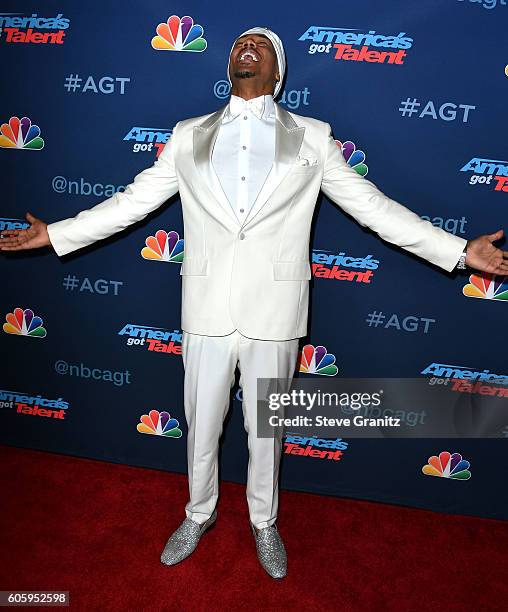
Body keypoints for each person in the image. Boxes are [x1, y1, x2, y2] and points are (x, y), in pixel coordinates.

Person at [1, 26, 507, 580]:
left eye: (262, 46)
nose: (248, 48)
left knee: (267, 430)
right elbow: (132, 201)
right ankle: (198, 513)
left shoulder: (313, 138)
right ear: (228, 64)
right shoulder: (188, 135)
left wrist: (459, 251)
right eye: (241, 43)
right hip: (206, 307)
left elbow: (374, 208)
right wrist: (57, 234)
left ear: (278, 71)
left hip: (275, 311)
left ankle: (264, 522)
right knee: (200, 425)